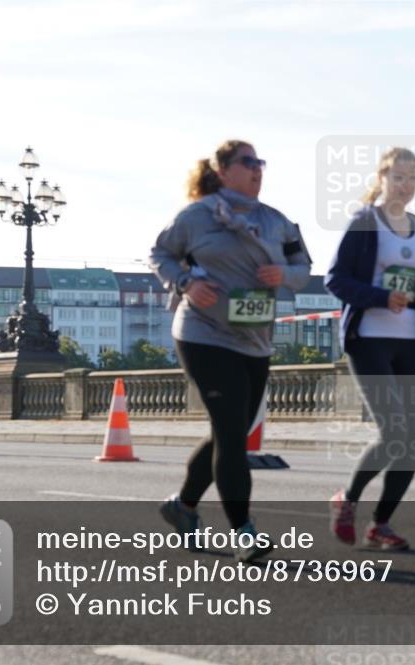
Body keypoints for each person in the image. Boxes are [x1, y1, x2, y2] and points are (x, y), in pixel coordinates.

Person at [149, 139, 311, 562]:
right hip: (203, 335)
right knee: (231, 435)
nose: (257, 169)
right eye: (248, 162)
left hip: (254, 340)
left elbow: (304, 266)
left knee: (232, 434)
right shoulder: (196, 217)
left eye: (261, 162)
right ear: (223, 171)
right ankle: (244, 531)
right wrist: (187, 284)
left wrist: (285, 274)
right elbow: (160, 253)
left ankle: (181, 507)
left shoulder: (276, 221)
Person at [324, 147, 415, 550]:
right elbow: (335, 280)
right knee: (393, 432)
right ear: (382, 178)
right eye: (398, 177)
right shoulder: (364, 222)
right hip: (369, 339)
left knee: (412, 440)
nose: (405, 186)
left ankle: (380, 525)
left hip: (411, 341)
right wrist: (378, 297)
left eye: (412, 179)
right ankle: (347, 499)